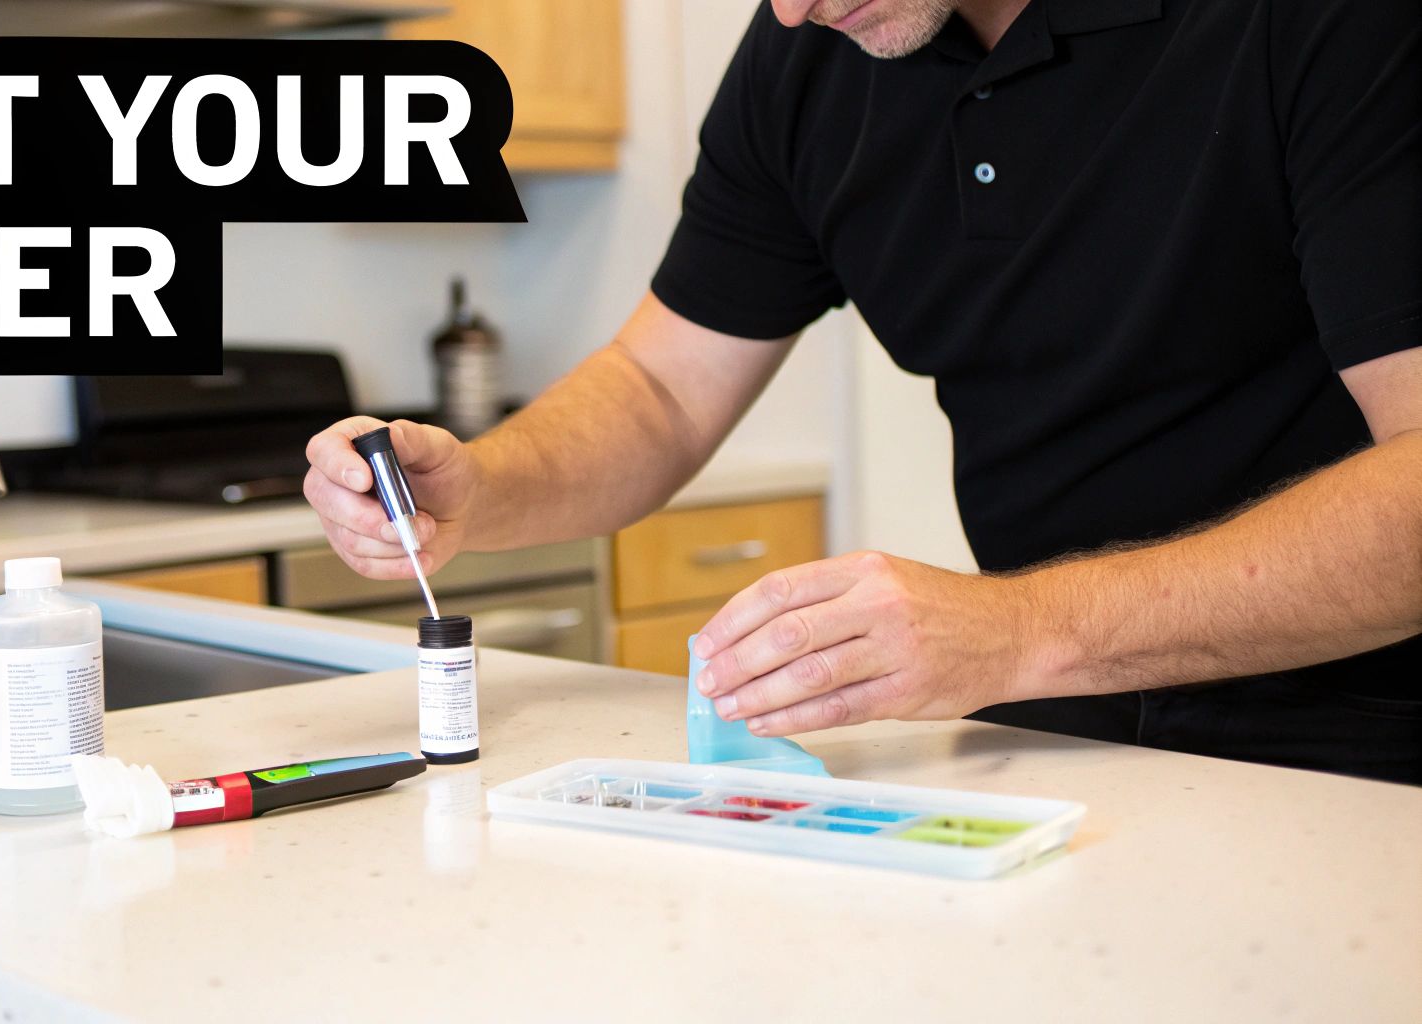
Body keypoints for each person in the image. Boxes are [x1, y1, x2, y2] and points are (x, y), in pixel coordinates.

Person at [304, 0, 1422, 783]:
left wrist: (1016, 629)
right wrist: (481, 482)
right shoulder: (812, 57)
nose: (787, 11)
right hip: (1060, 744)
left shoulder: (1324, 22)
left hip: (1370, 746)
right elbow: (659, 390)